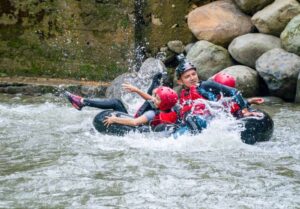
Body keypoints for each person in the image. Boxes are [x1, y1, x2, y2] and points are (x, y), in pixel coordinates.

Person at [175, 55, 263, 121]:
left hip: (221, 117)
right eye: (187, 77)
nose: (192, 78)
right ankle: (248, 101)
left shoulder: (206, 85)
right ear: (180, 81)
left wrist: (245, 110)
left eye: (194, 74)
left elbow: (234, 92)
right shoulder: (183, 94)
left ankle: (246, 103)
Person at [64, 82, 178, 128]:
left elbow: (134, 122)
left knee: (116, 103)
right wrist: (137, 90)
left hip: (135, 126)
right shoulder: (169, 108)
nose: (154, 98)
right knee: (117, 102)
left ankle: (82, 102)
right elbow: (152, 99)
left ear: (162, 104)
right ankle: (82, 102)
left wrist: (114, 120)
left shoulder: (151, 113)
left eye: (157, 98)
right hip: (144, 124)